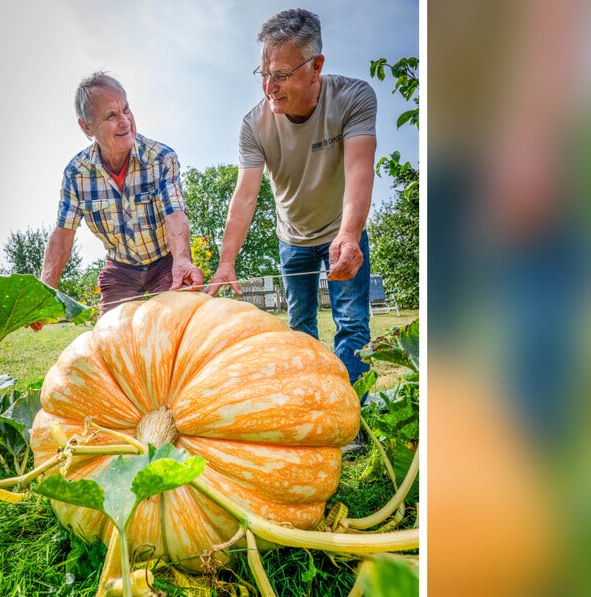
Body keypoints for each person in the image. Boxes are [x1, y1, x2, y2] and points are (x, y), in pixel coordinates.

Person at [205, 10, 377, 404]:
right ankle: (309, 408)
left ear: (316, 66)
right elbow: (245, 195)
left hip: (342, 231)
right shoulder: (254, 125)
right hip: (292, 240)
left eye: (281, 74)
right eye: (263, 73)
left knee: (351, 323)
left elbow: (358, 170)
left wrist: (350, 235)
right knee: (300, 327)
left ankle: (350, 415)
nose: (270, 86)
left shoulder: (353, 98)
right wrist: (226, 261)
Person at [36, 71, 204, 321]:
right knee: (111, 336)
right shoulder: (77, 173)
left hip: (165, 262)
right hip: (121, 268)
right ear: (87, 126)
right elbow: (63, 234)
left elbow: (175, 213)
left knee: (178, 326)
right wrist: (45, 289)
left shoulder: (160, 158)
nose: (125, 121)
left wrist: (181, 259)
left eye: (126, 110)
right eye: (111, 116)